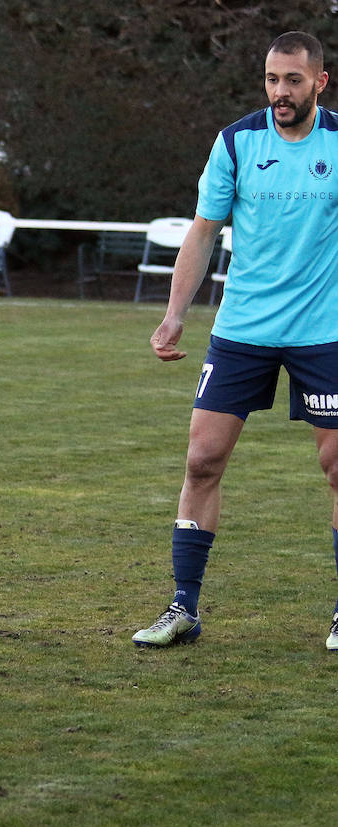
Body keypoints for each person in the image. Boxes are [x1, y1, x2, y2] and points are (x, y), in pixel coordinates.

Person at [133, 31, 338, 649]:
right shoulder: (236, 142)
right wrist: (175, 314)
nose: (281, 92)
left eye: (293, 80)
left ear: (320, 81)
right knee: (202, 460)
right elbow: (202, 233)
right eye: (273, 79)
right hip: (243, 329)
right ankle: (183, 607)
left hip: (325, 333)